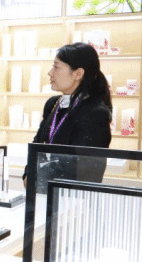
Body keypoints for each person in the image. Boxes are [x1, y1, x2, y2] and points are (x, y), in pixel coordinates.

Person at [25, 42, 112, 189]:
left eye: (56, 67)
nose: (50, 72)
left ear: (78, 74)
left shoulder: (95, 113)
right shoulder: (53, 104)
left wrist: (40, 177)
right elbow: (37, 144)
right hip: (44, 190)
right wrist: (28, 173)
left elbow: (82, 168)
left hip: (72, 195)